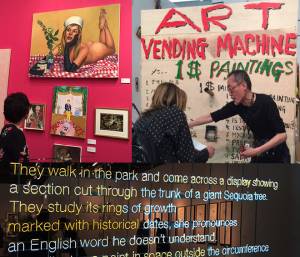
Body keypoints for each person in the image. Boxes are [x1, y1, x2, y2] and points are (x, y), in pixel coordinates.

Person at [189, 70, 290, 163]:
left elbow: (282, 135)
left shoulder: (266, 102)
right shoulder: (237, 106)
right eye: (228, 90)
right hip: (260, 152)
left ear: (244, 85)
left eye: (231, 89)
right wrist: (188, 124)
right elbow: (211, 117)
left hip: (278, 155)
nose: (230, 94)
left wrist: (255, 151)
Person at [132, 82, 215, 163]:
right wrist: (206, 153)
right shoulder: (175, 113)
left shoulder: (143, 117)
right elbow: (188, 159)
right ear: (176, 98)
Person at [0, 93, 30, 167]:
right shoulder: (17, 134)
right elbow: (22, 163)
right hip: (11, 176)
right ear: (26, 113)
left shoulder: (5, 129)